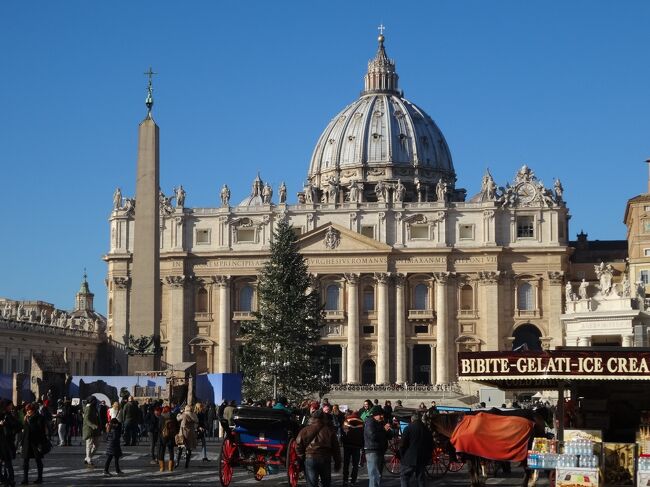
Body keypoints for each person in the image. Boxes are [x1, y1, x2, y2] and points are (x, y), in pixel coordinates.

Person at [295, 410, 341, 487]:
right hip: (325, 458)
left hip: (310, 457)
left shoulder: (305, 430)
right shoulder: (329, 430)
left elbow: (298, 444)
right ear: (324, 418)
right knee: (326, 483)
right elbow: (336, 448)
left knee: (312, 484)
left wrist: (302, 456)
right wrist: (337, 462)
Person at [399, 413, 433, 487]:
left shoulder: (408, 428)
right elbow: (431, 445)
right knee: (421, 479)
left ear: (412, 419)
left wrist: (402, 456)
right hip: (422, 458)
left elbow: (402, 444)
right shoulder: (426, 429)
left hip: (409, 458)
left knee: (405, 477)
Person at [364, 405, 393, 487]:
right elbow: (372, 436)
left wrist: (388, 430)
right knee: (374, 475)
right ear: (375, 415)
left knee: (378, 475)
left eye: (382, 414)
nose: (382, 416)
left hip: (379, 450)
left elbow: (389, 436)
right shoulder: (370, 421)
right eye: (380, 414)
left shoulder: (380, 422)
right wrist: (383, 429)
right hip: (372, 450)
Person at [21, 403, 48, 485]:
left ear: (33, 410)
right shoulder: (26, 418)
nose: (28, 412)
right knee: (25, 461)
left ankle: (40, 478)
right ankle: (25, 479)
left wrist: (29, 421)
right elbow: (25, 430)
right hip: (27, 441)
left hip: (36, 442)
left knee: (38, 460)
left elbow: (40, 430)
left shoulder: (39, 418)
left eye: (29, 410)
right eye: (27, 410)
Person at [341, 410, 364, 487]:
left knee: (346, 464)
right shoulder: (361, 421)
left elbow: (343, 432)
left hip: (347, 445)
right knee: (355, 465)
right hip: (357, 446)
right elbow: (363, 434)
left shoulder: (346, 420)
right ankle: (353, 481)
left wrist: (343, 442)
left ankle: (345, 480)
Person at [176, 405, 198, 469]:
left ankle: (177, 462)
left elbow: (178, 418)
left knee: (180, 448)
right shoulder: (194, 415)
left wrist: (179, 414)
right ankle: (187, 464)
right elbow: (197, 421)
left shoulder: (184, 414)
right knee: (188, 449)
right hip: (190, 433)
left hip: (183, 433)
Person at [157, 406, 177, 472]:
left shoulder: (161, 417)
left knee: (161, 451)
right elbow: (176, 425)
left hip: (163, 436)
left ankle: (162, 468)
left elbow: (159, 427)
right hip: (171, 436)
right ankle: (170, 468)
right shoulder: (173, 416)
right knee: (171, 451)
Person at [82, 396, 100, 467]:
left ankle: (87, 457)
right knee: (89, 445)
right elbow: (86, 419)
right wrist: (93, 425)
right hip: (89, 429)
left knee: (96, 445)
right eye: (94, 400)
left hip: (95, 429)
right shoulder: (88, 408)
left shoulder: (94, 408)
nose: (95, 402)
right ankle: (89, 460)